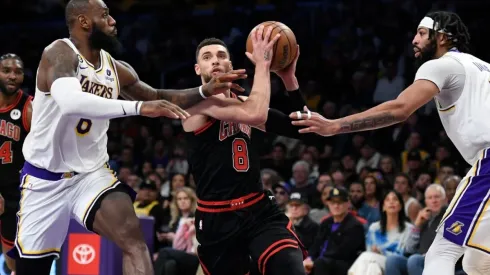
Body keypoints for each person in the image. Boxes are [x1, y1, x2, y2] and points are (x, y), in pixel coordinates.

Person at [9, 1, 246, 274]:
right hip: (44, 180)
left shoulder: (117, 68)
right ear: (84, 22)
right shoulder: (59, 53)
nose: (113, 21)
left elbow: (157, 96)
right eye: (105, 15)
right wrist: (139, 108)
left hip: (90, 175)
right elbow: (72, 102)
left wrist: (205, 90)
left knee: (133, 239)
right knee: (31, 270)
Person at [291, 10, 490, 275]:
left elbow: (399, 109)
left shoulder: (441, 64)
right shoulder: (482, 67)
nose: (414, 40)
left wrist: (335, 125)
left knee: (442, 251)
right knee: (477, 262)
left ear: (442, 37)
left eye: (421, 33)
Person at [182, 29, 316, 274]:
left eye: (221, 55)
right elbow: (255, 114)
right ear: (198, 69)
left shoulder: (245, 104)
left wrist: (289, 80)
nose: (215, 60)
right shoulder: (196, 104)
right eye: (207, 57)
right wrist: (264, 66)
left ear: (230, 64)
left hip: (258, 209)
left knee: (289, 265)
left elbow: (305, 129)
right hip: (217, 217)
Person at [0, 53, 31, 275]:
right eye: (7, 70)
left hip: (16, 194)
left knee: (15, 264)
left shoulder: (30, 107)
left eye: (18, 72)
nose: (12, 76)